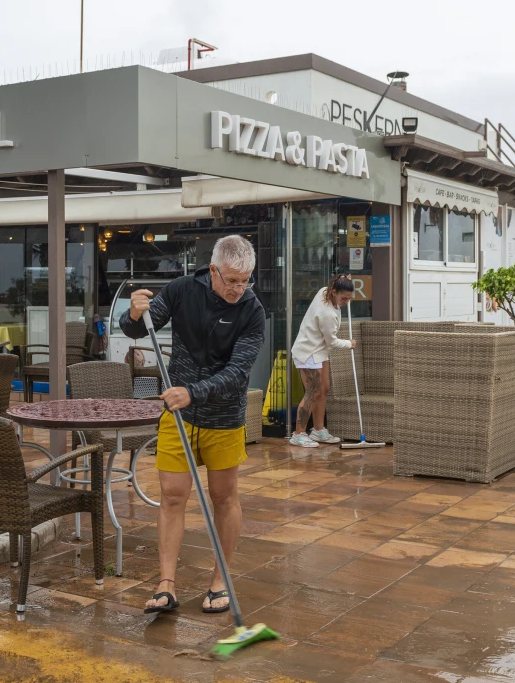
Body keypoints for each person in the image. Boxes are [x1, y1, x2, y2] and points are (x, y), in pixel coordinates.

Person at [119, 235, 266, 616]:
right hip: (179, 415)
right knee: (171, 495)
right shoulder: (183, 289)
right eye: (232, 279)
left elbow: (237, 374)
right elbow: (136, 331)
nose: (239, 288)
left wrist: (193, 392)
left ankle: (220, 580)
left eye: (245, 280)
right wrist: (134, 313)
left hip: (223, 416)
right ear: (213, 271)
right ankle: (166, 584)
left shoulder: (252, 310)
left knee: (223, 497)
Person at [289, 275, 356, 447]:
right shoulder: (327, 315)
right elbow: (332, 341)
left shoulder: (323, 292)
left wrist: (343, 278)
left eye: (349, 298)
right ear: (334, 292)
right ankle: (298, 434)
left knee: (323, 389)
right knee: (313, 392)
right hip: (308, 352)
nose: (346, 302)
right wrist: (349, 344)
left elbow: (334, 283)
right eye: (343, 298)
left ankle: (318, 430)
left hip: (319, 352)